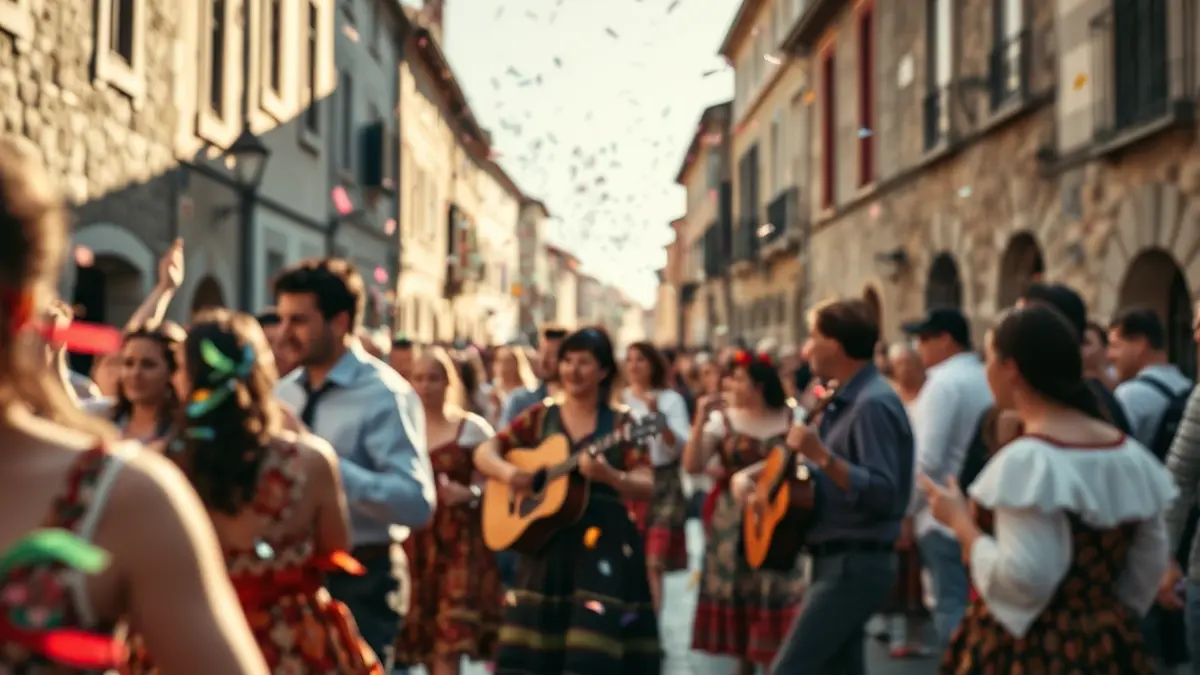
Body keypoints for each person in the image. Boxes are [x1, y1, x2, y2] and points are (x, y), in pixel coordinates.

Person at [0, 131, 268, 674]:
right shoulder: (104, 421)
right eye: (131, 365)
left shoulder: (126, 496)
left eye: (152, 366)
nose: (134, 373)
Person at [128, 309, 383, 674]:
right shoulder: (310, 460)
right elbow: (336, 544)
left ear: (188, 379)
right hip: (287, 639)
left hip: (190, 636)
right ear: (259, 373)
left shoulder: (156, 466)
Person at [924, 303, 1174, 673]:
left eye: (990, 360)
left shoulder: (1029, 462)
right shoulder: (1127, 454)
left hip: (1032, 649)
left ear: (1011, 369)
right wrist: (1104, 613)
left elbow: (1026, 578)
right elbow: (1148, 563)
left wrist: (961, 524)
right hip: (1109, 642)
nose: (985, 371)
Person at [273, 258, 435, 667]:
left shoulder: (386, 395)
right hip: (289, 578)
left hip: (363, 579)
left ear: (339, 321)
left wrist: (323, 462)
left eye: (298, 320)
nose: (284, 333)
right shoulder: (281, 393)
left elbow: (415, 503)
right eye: (282, 319)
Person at [472, 327, 661, 674]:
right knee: (534, 659)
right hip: (545, 552)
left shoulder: (623, 424)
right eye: (568, 362)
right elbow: (486, 451)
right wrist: (510, 474)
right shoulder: (540, 417)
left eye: (584, 363)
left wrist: (611, 477)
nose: (573, 371)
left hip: (602, 552)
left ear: (604, 371)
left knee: (590, 656)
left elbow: (647, 484)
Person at [753, 298, 913, 674]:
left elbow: (885, 494)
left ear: (836, 345)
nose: (806, 347)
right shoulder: (843, 397)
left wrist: (822, 456)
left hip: (854, 563)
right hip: (836, 559)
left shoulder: (871, 404)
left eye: (813, 336)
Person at [688, 349, 805, 672]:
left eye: (737, 378)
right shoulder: (722, 421)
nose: (728, 383)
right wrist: (699, 420)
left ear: (759, 385)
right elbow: (693, 465)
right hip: (733, 520)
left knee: (778, 591)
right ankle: (744, 666)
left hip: (781, 518)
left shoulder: (792, 416)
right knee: (740, 593)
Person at [394, 348, 499, 674]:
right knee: (422, 641)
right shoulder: (401, 428)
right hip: (415, 543)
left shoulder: (472, 429)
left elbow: (499, 483)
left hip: (460, 543)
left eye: (434, 378)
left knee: (449, 641)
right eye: (419, 378)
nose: (426, 386)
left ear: (447, 382)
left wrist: (469, 492)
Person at [901, 308, 994, 647]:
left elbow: (926, 459)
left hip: (942, 515)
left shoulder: (942, 384)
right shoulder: (984, 376)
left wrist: (906, 511)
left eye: (924, 339)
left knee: (950, 605)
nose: (918, 347)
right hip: (979, 509)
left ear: (946, 339)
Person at [621, 341, 691, 612]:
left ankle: (652, 629)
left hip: (662, 482)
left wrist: (657, 417)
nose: (634, 365)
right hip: (627, 482)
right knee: (628, 557)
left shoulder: (670, 400)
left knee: (654, 561)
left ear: (652, 364)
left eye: (640, 359)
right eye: (630, 359)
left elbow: (677, 446)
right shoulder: (620, 399)